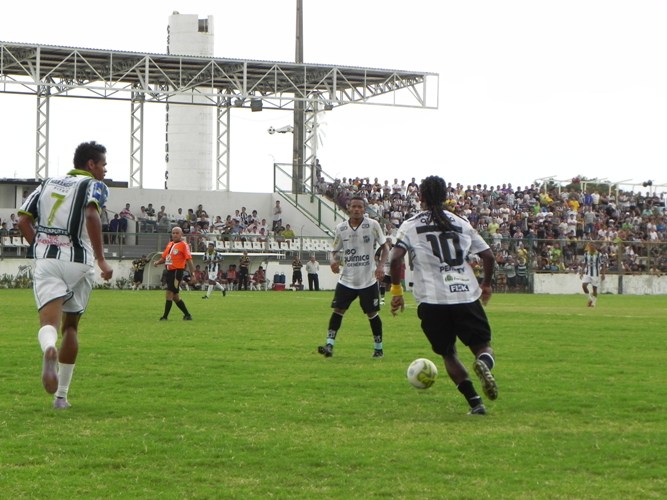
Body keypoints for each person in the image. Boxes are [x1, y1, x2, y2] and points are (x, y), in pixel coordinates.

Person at [389, 175, 498, 416]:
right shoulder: (460, 223)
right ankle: (484, 363)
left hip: (432, 301)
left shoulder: (411, 225)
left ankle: (476, 403)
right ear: (445, 196)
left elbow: (395, 258)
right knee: (483, 346)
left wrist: (396, 290)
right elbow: (488, 256)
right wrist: (487, 284)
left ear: (421, 197)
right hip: (465, 296)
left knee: (449, 353)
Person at [17, 141, 113, 409]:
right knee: (70, 327)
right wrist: (102, 259)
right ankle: (61, 397)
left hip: (48, 259)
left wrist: (41, 245)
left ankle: (49, 349)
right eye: (103, 164)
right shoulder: (94, 185)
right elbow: (91, 214)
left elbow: (22, 220)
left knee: (47, 324)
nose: (105, 170)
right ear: (91, 165)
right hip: (79, 261)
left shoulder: (46, 183)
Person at [317, 196, 389, 359]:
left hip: (368, 280)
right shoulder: (341, 228)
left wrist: (380, 266)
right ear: (348, 208)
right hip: (347, 280)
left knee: (372, 313)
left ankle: (378, 349)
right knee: (338, 310)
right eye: (354, 206)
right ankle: (329, 345)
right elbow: (333, 251)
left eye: (360, 207)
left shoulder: (373, 225)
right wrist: (333, 262)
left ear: (364, 209)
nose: (357, 209)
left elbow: (385, 247)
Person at [154, 226, 195, 320]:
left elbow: (189, 260)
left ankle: (165, 317)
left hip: (177, 272)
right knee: (175, 296)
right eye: (173, 233)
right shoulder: (170, 244)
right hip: (169, 272)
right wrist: (157, 262)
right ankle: (187, 315)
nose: (175, 235)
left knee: (169, 293)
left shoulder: (184, 245)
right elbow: (164, 258)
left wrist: (193, 275)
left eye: (177, 233)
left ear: (181, 234)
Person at [579, 242, 606, 307]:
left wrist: (603, 274)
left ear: (595, 246)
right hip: (587, 273)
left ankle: (593, 304)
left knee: (594, 289)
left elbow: (603, 264)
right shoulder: (586, 254)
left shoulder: (599, 254)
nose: (591, 247)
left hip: (595, 274)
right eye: (590, 246)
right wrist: (582, 272)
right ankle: (590, 299)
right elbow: (584, 263)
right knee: (584, 285)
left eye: (592, 246)